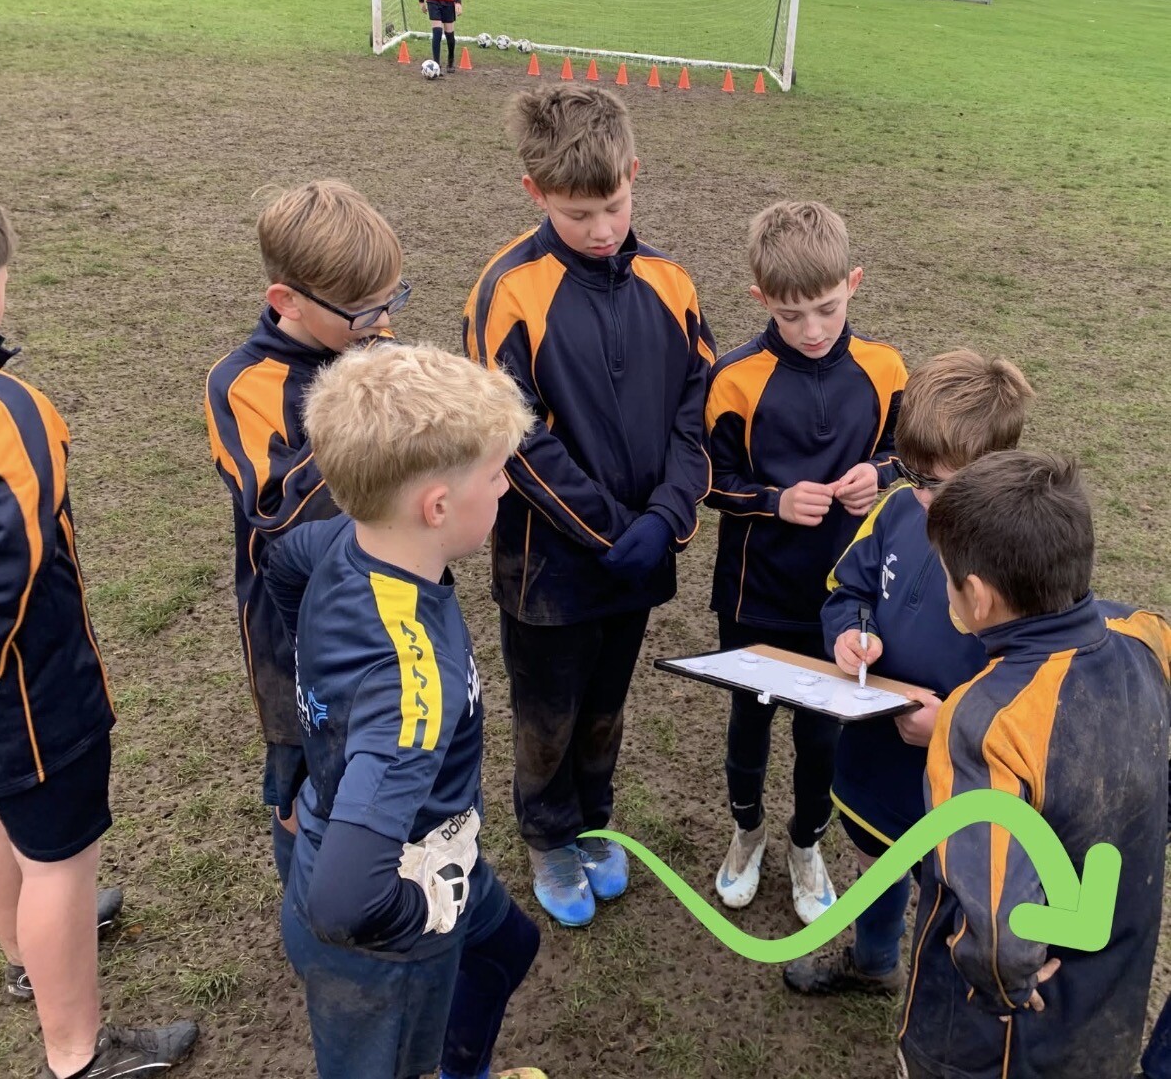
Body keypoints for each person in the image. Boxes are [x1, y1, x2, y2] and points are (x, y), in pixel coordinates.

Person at [462, 83, 714, 928]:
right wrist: (609, 527)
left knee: (607, 703)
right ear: (534, 192)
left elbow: (696, 412)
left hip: (640, 555)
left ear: (634, 173)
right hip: (549, 570)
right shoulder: (506, 291)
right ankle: (547, 834)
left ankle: (593, 821)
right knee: (549, 712)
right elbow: (513, 433)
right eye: (577, 214)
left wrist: (667, 517)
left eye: (613, 206)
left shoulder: (672, 284)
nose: (602, 229)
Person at [0, 186, 198, 1078]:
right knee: (61, 857)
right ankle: (78, 1052)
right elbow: (4, 573)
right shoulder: (2, 409)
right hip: (20, 683)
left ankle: (28, 958)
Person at [262, 344, 544, 1079]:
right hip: (389, 937)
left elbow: (280, 563)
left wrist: (319, 691)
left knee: (507, 948)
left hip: (429, 847)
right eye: (497, 473)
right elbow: (344, 902)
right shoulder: (414, 686)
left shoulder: (345, 539)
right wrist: (426, 908)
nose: (507, 484)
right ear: (438, 506)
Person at [899, 450, 1171, 1079]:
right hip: (1109, 994)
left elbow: (996, 921)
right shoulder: (1147, 633)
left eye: (947, 578)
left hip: (994, 1043)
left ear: (977, 597)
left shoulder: (985, 721)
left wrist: (1004, 984)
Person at [783, 350, 1033, 996]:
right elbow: (848, 588)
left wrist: (951, 724)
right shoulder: (896, 510)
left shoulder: (1024, 559)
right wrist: (849, 633)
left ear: (995, 470)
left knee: (952, 893)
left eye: (939, 484)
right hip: (875, 755)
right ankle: (874, 962)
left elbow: (1038, 691)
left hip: (961, 781)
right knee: (875, 859)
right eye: (912, 473)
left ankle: (947, 1000)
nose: (921, 496)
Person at [704, 200, 907, 925]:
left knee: (823, 733)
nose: (813, 330)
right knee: (750, 721)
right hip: (755, 595)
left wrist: (879, 474)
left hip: (844, 601)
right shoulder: (734, 378)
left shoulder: (885, 368)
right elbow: (709, 479)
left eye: (827, 308)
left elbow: (908, 452)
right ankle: (747, 832)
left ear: (854, 283)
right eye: (791, 316)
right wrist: (773, 500)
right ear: (761, 298)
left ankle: (805, 843)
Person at [204, 180, 409, 885]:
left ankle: (381, 886)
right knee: (302, 783)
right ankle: (309, 905)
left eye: (390, 300)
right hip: (292, 634)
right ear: (286, 301)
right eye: (363, 309)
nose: (383, 321)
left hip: (390, 605)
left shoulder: (372, 341)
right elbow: (281, 511)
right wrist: (362, 407)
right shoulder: (240, 384)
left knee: (386, 757)